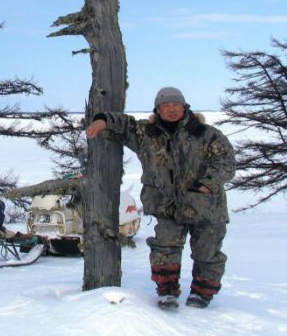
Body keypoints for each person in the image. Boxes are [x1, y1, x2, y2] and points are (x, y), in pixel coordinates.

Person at [86, 87, 236, 310]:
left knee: (208, 253)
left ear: (185, 107)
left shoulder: (206, 133)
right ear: (157, 109)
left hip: (207, 208)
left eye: (176, 105)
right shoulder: (147, 134)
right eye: (166, 106)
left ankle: (202, 294)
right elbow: (124, 123)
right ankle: (167, 292)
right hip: (168, 207)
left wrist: (206, 185)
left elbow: (226, 162)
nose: (172, 109)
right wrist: (102, 120)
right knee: (164, 250)